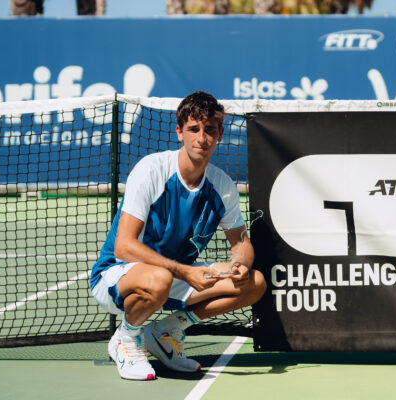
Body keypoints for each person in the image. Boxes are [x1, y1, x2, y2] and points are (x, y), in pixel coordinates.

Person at [90, 91, 266, 381]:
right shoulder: (151, 170)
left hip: (173, 276)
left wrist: (241, 265)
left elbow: (241, 243)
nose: (202, 138)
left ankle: (166, 331)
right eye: (194, 129)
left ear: (220, 134)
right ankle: (126, 337)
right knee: (158, 279)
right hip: (118, 275)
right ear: (179, 133)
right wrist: (184, 272)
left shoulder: (221, 186)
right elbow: (124, 246)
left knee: (253, 284)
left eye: (210, 130)